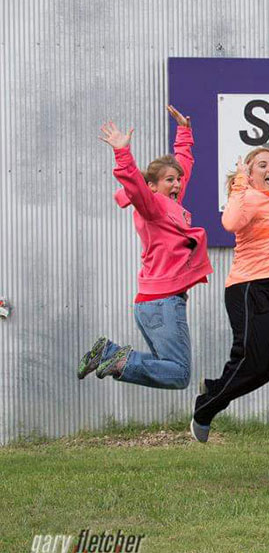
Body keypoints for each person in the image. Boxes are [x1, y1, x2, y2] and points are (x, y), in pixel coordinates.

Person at [78, 106, 212, 390]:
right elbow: (135, 186)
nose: (177, 184)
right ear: (152, 186)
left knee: (172, 370)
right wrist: (122, 153)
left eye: (177, 180)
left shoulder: (169, 204)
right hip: (162, 302)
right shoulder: (152, 207)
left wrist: (184, 133)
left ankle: (109, 353)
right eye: (169, 180)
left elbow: (183, 166)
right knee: (178, 374)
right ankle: (112, 356)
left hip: (156, 302)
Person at [190, 147, 269, 443]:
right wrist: (241, 180)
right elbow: (230, 223)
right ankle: (206, 408)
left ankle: (215, 388)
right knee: (249, 360)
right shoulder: (248, 196)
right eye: (262, 165)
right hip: (250, 289)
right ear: (249, 174)